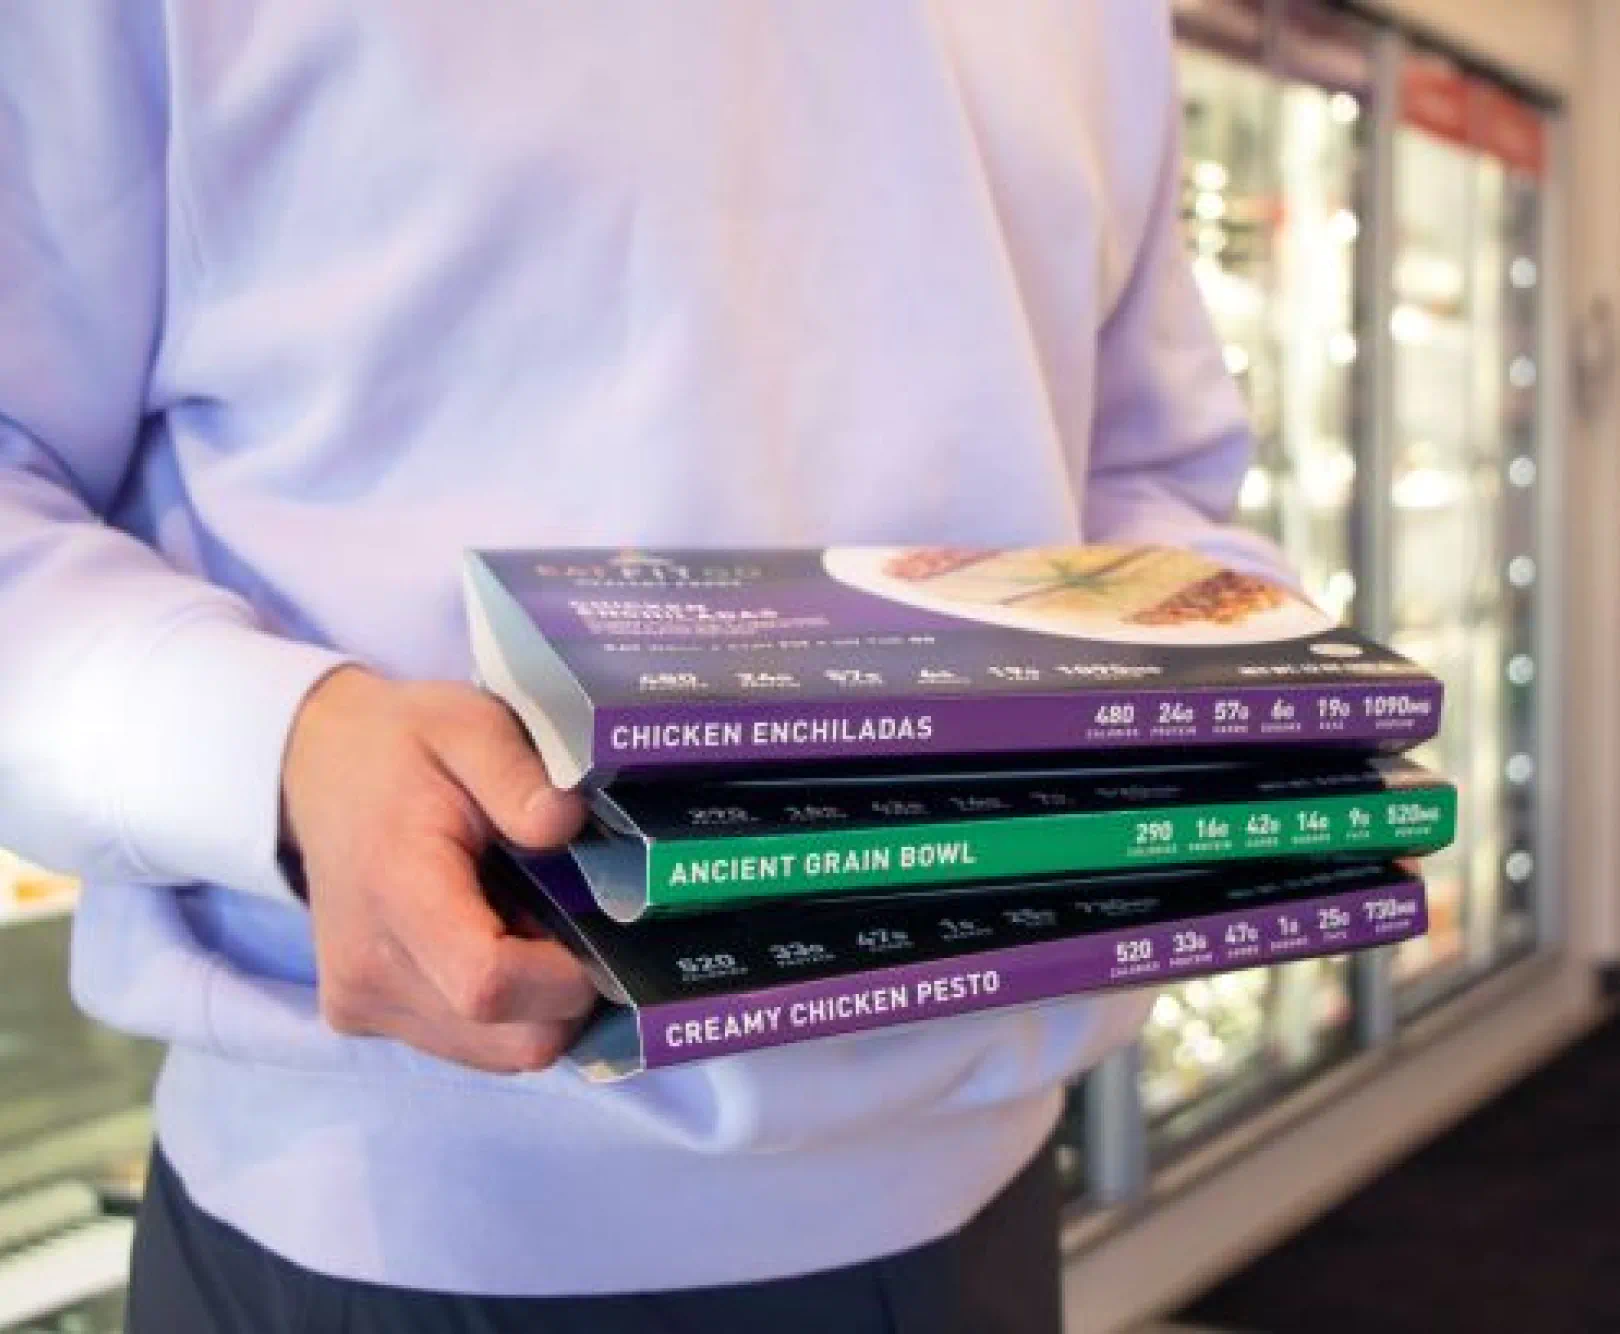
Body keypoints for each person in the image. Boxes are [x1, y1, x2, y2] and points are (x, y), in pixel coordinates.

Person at [0, 3, 1286, 1330]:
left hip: (983, 1170)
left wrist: (1268, 718)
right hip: (397, 1207)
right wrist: (285, 749)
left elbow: (1144, 469)